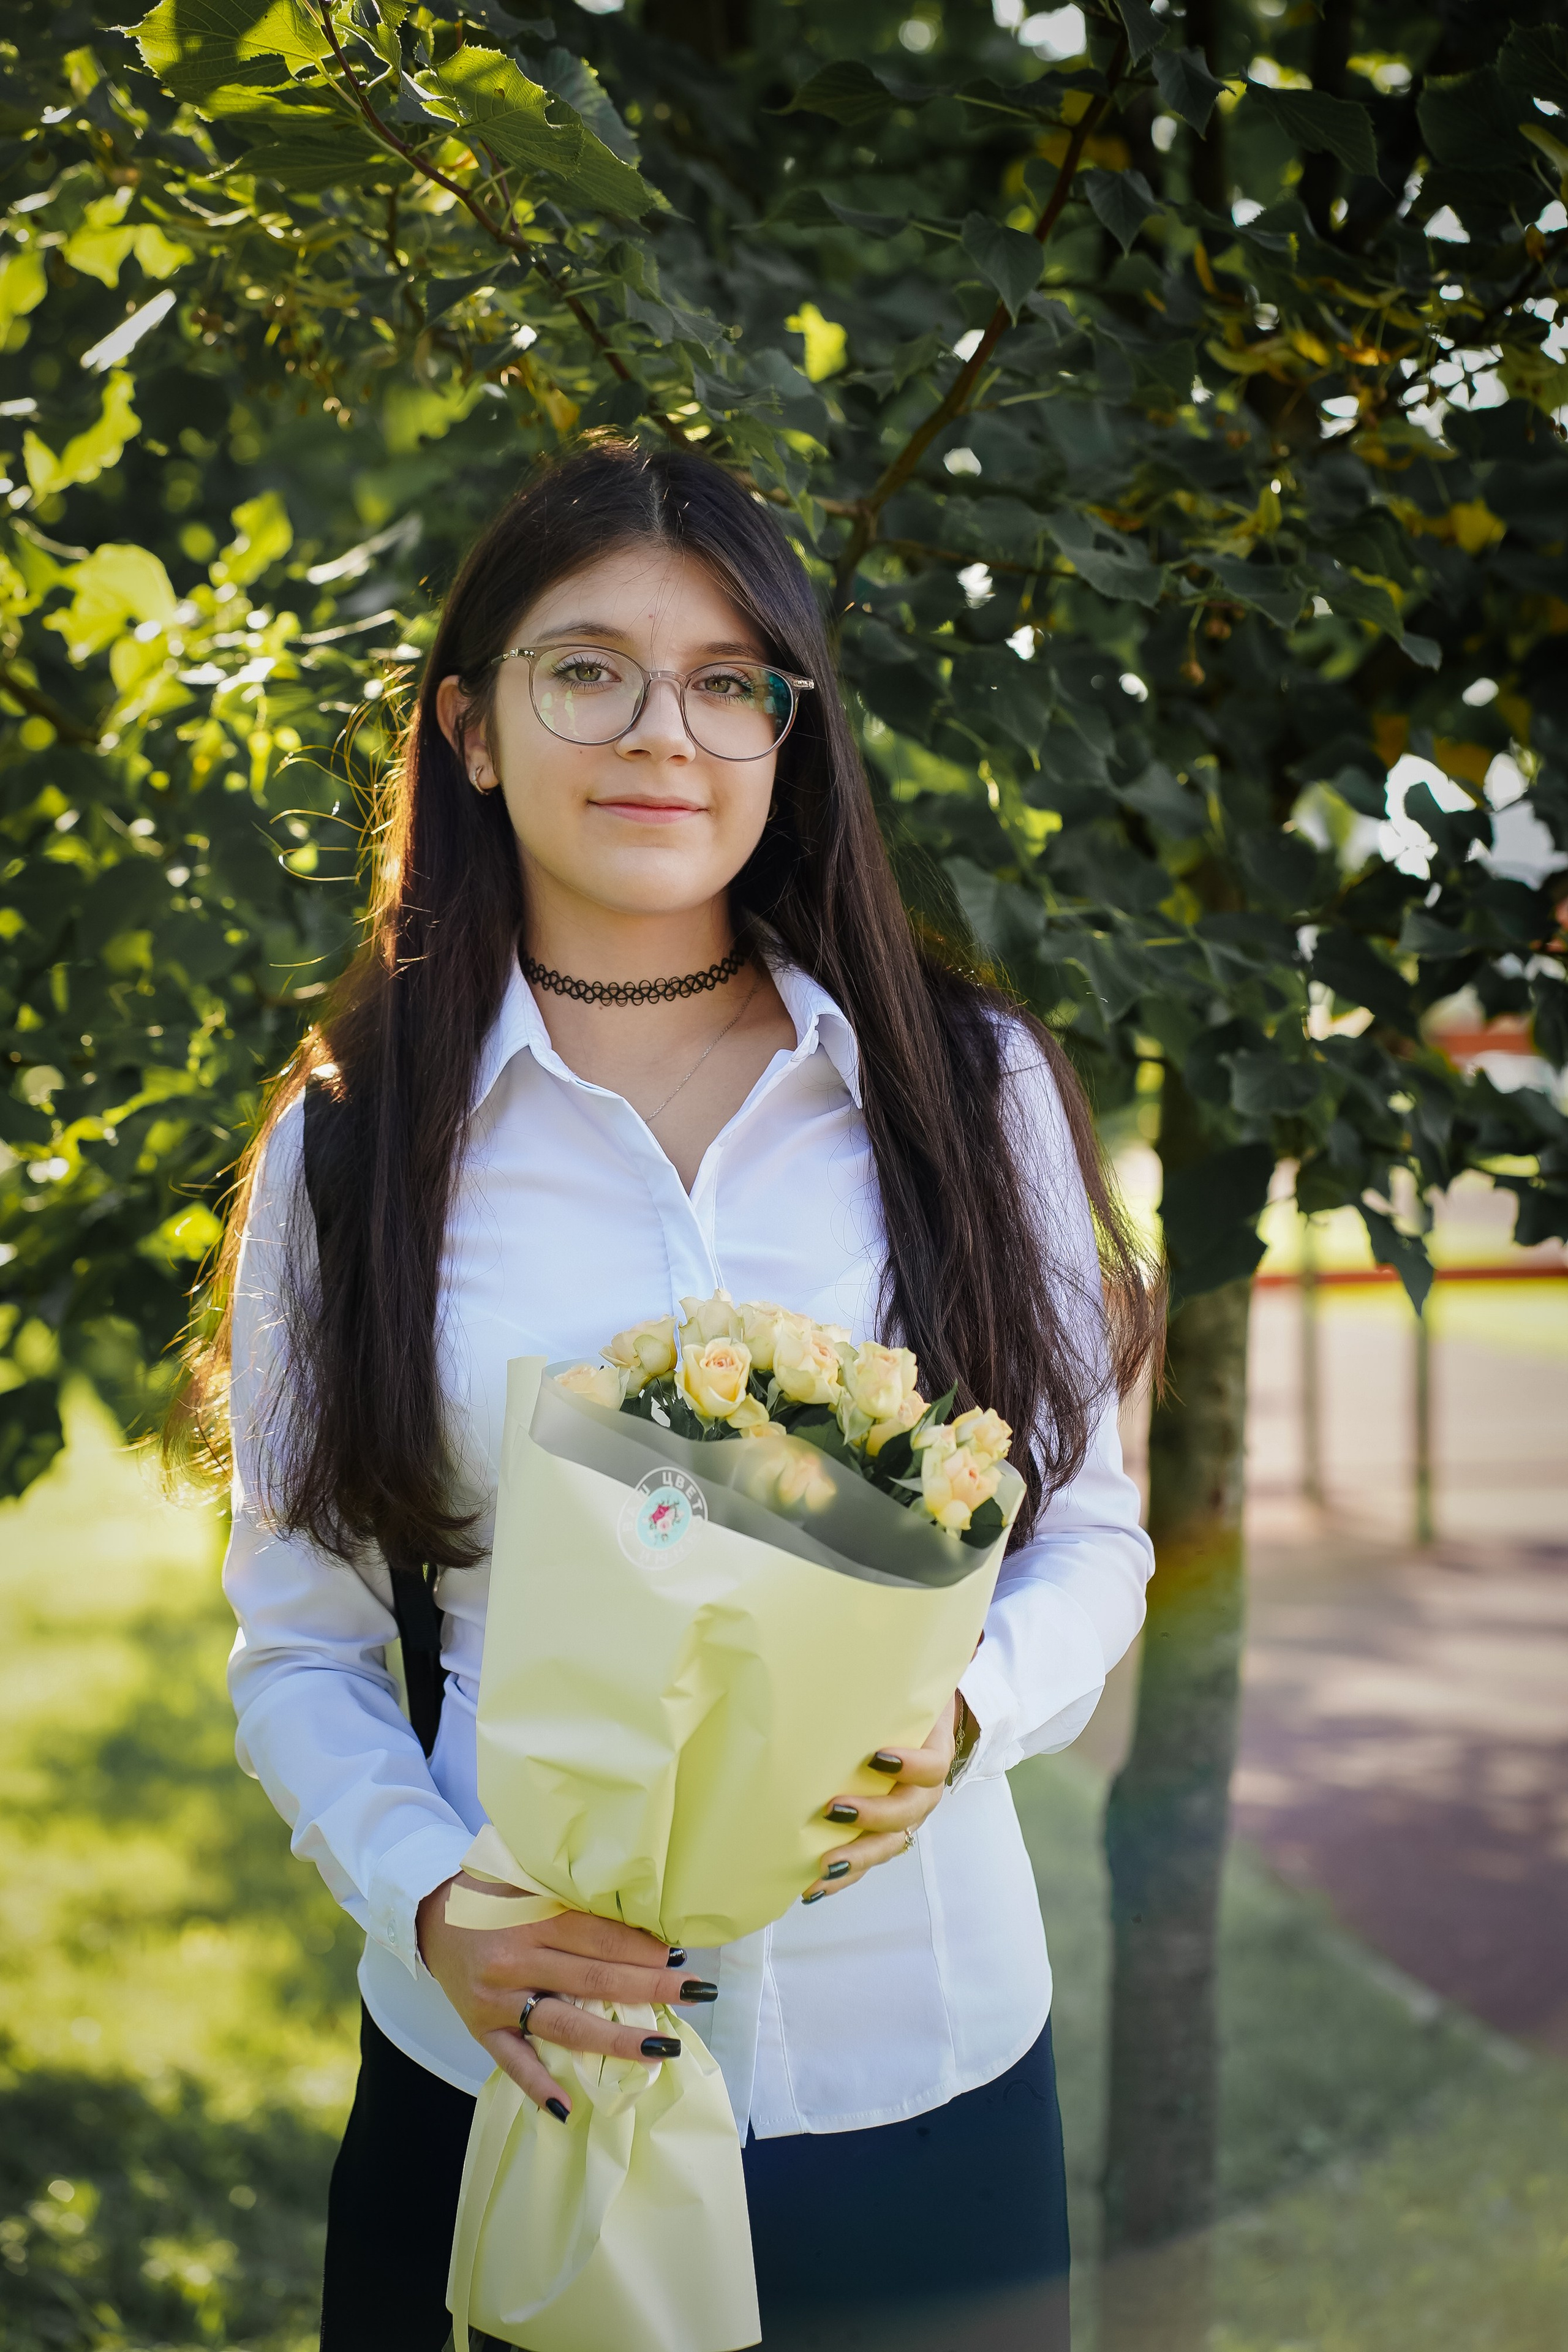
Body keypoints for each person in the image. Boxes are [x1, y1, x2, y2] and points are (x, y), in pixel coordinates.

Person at [178, 435, 1158, 2350]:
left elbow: (1090, 1536)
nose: (663, 734)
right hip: (508, 2077)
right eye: (587, 670)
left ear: (788, 731)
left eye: (728, 681)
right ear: (469, 727)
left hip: (921, 2060)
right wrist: (432, 1910)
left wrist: (962, 1711)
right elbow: (292, 1650)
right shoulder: (353, 1145)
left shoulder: (967, 1090)